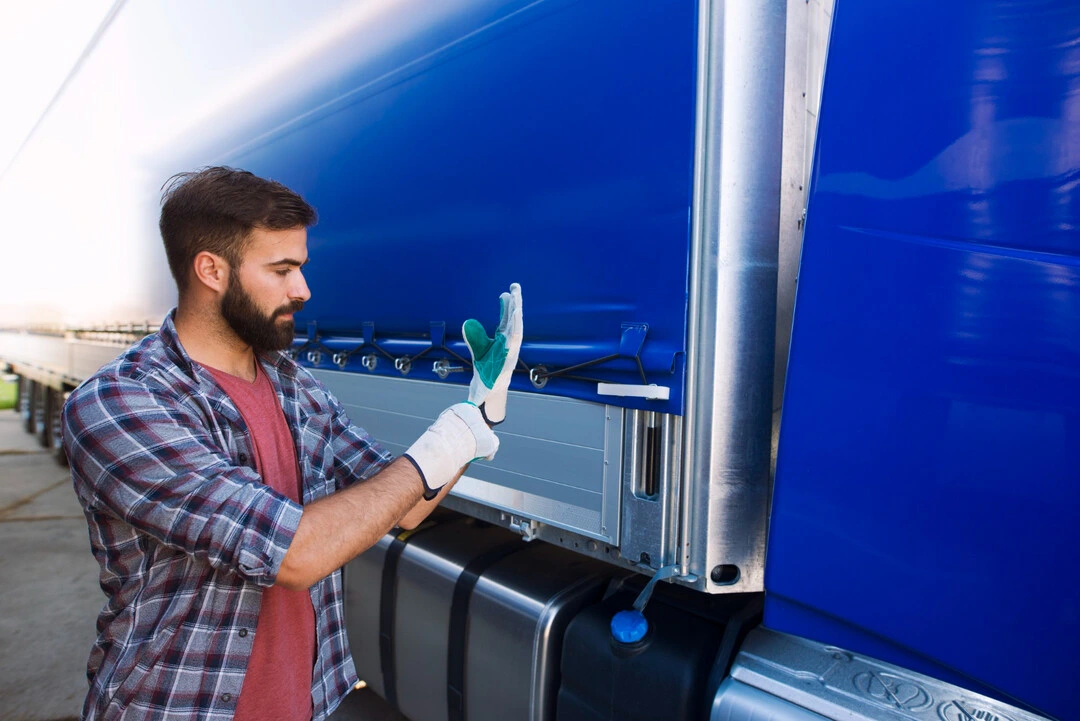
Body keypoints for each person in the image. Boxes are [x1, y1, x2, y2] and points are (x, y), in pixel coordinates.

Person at [61, 166, 523, 721]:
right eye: (282, 270)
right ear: (211, 269)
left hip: (306, 705)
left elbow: (407, 502)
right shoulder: (118, 404)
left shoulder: (294, 386)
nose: (303, 290)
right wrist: (447, 442)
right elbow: (292, 553)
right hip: (177, 707)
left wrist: (480, 412)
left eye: (300, 268)